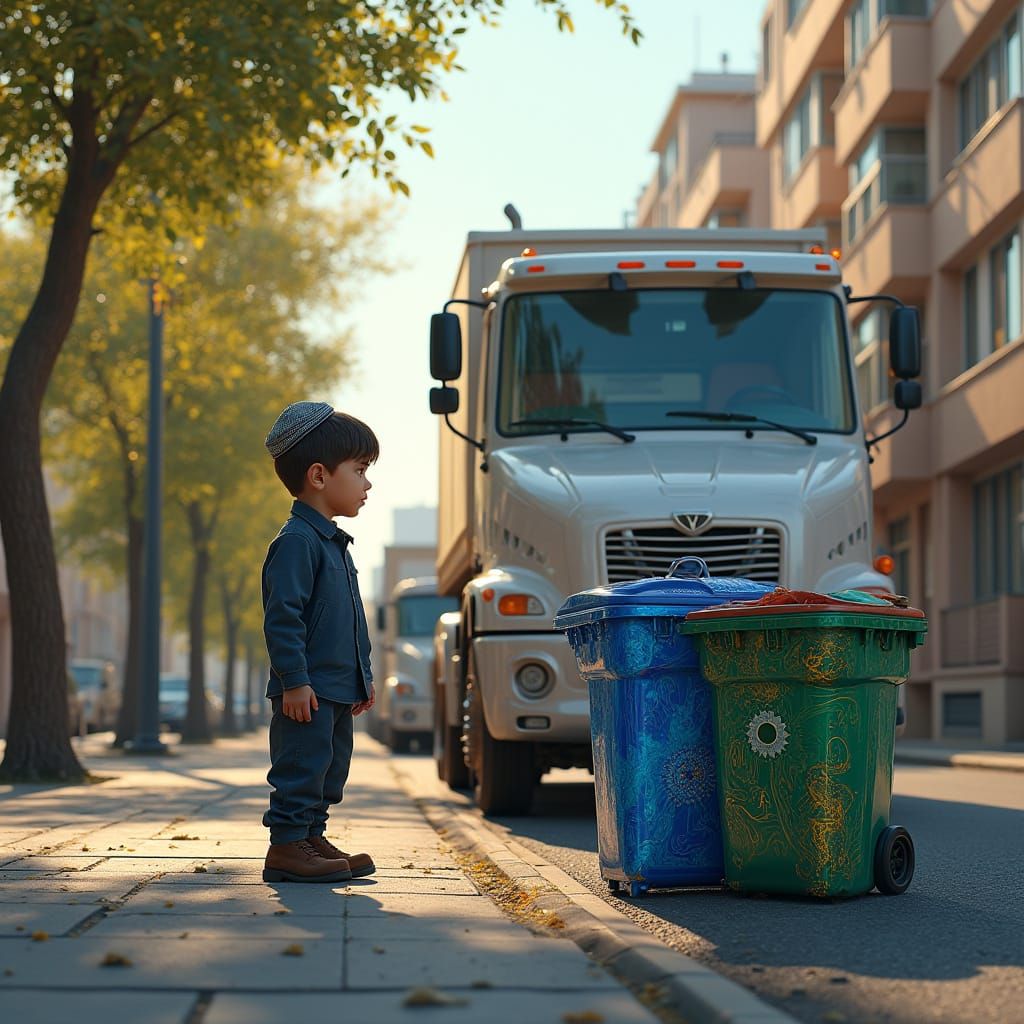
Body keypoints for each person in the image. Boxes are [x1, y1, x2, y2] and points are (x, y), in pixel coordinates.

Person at [260, 401, 379, 883]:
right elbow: (282, 618)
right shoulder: (297, 542)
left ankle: (311, 837)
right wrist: (293, 680)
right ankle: (287, 846)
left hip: (335, 687)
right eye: (360, 470)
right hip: (306, 690)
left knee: (328, 770)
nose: (367, 484)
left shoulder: (333, 543)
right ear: (319, 475)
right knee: (301, 767)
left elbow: (352, 620)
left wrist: (362, 678)